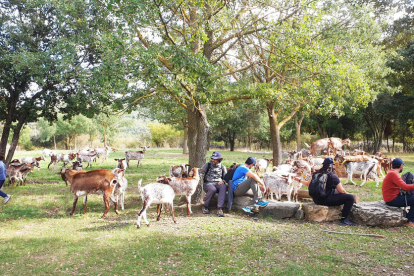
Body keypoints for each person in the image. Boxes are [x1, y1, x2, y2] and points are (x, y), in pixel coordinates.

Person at [298, 157, 355, 226]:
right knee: (350, 198)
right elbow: (341, 190)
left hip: (316, 199)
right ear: (332, 166)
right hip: (325, 200)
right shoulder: (333, 176)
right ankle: (344, 219)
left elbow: (307, 184)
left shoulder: (316, 174)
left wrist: (298, 180)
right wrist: (348, 194)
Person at [382, 158, 414, 228]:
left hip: (390, 198)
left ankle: (410, 217)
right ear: (401, 166)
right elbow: (405, 187)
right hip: (392, 199)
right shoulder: (393, 174)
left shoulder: (392, 172)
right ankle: (410, 221)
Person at [200, 151, 227, 217]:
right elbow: (200, 172)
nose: (213, 160)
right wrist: (195, 173)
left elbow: (226, 177)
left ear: (219, 159)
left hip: (218, 183)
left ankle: (219, 208)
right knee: (212, 189)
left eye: (215, 159)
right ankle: (205, 207)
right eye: (212, 158)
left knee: (223, 186)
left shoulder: (222, 167)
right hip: (208, 183)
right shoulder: (207, 165)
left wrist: (223, 181)